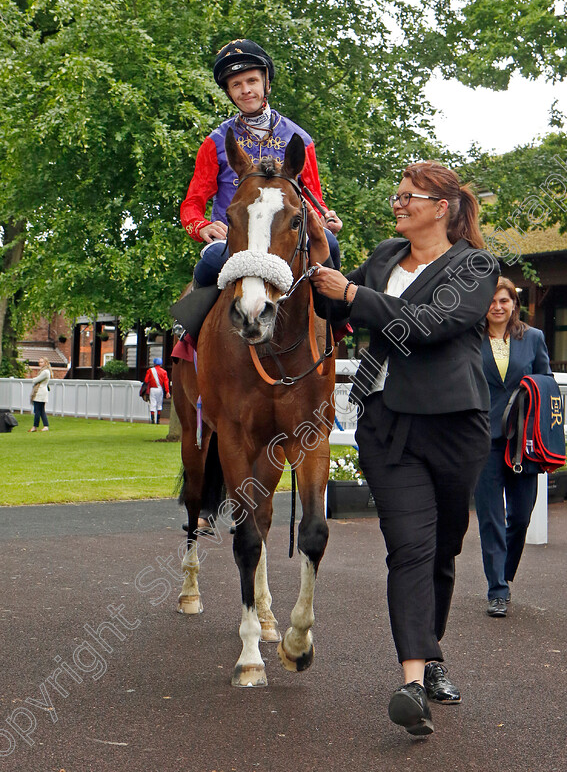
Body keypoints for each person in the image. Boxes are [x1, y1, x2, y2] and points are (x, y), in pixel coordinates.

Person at [309, 161, 499, 736]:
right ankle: (413, 681)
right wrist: (323, 256)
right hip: (387, 424)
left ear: (441, 207)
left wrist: (354, 294)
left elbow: (427, 324)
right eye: (396, 195)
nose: (398, 203)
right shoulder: (386, 255)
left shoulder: (476, 267)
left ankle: (432, 655)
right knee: (410, 549)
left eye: (409, 196)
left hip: (453, 424)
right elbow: (335, 309)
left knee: (442, 549)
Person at [177, 38, 342, 302]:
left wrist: (326, 217)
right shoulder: (214, 143)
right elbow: (191, 204)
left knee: (330, 246)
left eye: (251, 81)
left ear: (265, 83)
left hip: (287, 238)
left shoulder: (301, 139)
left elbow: (314, 198)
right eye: (236, 85)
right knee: (208, 262)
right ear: (229, 92)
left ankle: (335, 322)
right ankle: (188, 333)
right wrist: (201, 227)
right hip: (235, 239)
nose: (245, 90)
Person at [474, 277, 553, 618]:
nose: (498, 306)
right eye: (492, 301)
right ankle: (497, 590)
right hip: (483, 440)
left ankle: (503, 574)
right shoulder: (469, 340)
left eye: (504, 301)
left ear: (514, 305)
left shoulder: (533, 338)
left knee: (520, 515)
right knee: (491, 518)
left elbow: (547, 385)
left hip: (524, 442)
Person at [143, 358, 170, 424]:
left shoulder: (150, 370)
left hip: (152, 389)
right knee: (159, 404)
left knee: (153, 403)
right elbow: (166, 382)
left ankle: (153, 420)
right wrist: (167, 391)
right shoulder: (164, 372)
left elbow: (146, 380)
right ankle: (158, 420)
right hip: (160, 389)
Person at [28, 357, 52, 432]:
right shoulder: (45, 371)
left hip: (40, 392)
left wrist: (33, 379)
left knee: (37, 410)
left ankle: (35, 426)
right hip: (41, 392)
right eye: (39, 362)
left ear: (45, 363)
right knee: (41, 410)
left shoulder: (45, 372)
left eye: (42, 362)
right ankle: (46, 426)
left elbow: (36, 380)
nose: (40, 364)